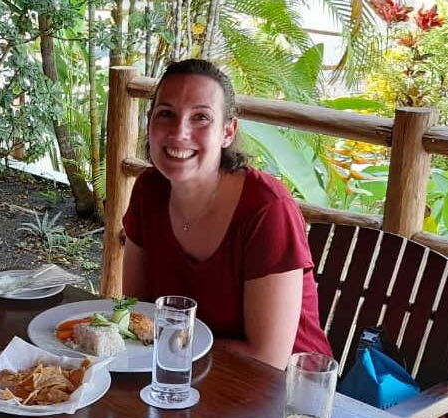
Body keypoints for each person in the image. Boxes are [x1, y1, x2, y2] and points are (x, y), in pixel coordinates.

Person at [122, 59, 332, 370]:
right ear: (150, 121)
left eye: (201, 118)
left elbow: (268, 357)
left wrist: (165, 346)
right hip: (180, 375)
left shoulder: (267, 209)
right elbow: (138, 314)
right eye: (166, 114)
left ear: (228, 132)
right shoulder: (147, 191)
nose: (180, 132)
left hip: (280, 393)